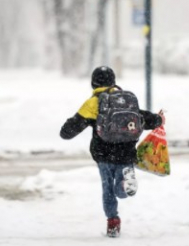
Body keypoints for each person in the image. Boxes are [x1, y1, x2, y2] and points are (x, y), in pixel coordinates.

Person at [60, 66, 164, 238]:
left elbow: (68, 132)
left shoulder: (93, 103)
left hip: (104, 154)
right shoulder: (126, 100)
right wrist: (159, 119)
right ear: (114, 81)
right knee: (121, 187)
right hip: (126, 152)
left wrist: (67, 128)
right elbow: (143, 118)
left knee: (107, 189)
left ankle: (113, 222)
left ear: (93, 83)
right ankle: (124, 184)